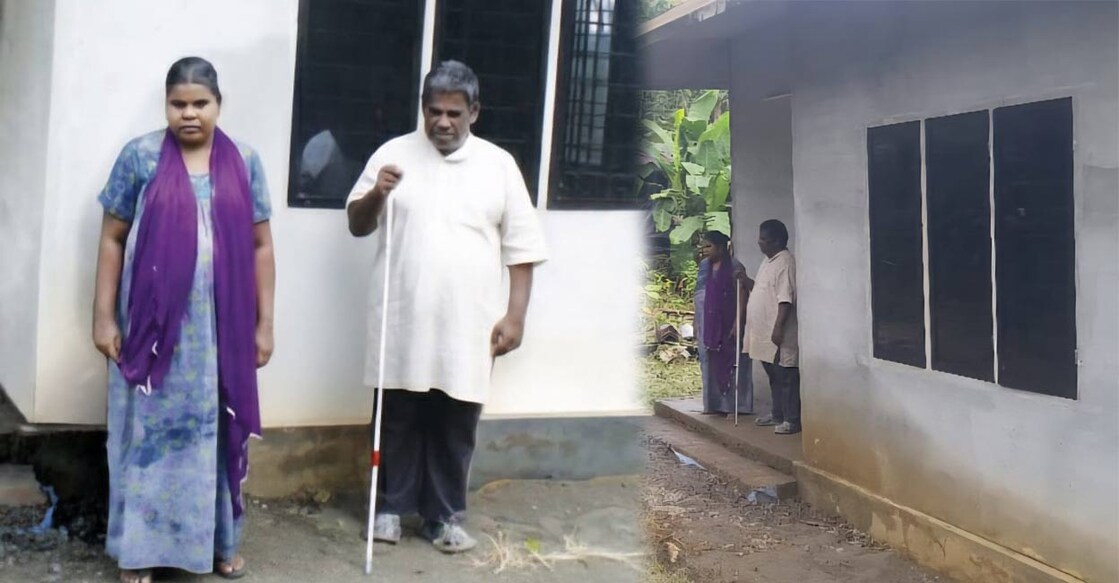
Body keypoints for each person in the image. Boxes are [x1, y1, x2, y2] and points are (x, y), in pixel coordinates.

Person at [345, 61, 547, 554]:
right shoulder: (393, 155)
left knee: (455, 421)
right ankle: (389, 510)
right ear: (423, 108)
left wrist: (515, 316)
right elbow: (357, 224)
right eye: (434, 111)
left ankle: (444, 517)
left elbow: (521, 249)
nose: (442, 122)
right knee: (396, 416)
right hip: (402, 317)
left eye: (454, 113)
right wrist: (378, 193)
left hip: (468, 323)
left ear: (474, 111)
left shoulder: (498, 165)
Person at [92, 57, 275, 583]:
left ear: (218, 104)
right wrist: (103, 317)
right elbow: (112, 238)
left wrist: (265, 324)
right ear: (165, 106)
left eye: (200, 103)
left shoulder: (245, 161)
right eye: (178, 104)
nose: (189, 113)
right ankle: (141, 552)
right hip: (152, 335)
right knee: (148, 435)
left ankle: (218, 543)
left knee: (213, 436)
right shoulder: (141, 157)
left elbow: (261, 246)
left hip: (220, 336)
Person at [743, 220, 800, 435]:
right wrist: (744, 280)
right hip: (763, 332)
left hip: (778, 332)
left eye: (764, 239)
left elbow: (785, 299)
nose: (759, 243)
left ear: (776, 241)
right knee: (774, 376)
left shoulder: (785, 262)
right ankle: (778, 414)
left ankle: (791, 420)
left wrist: (778, 328)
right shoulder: (768, 261)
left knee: (786, 376)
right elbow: (761, 289)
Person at [697, 231, 753, 416]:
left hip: (728, 322)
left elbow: (742, 294)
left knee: (733, 362)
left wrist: (737, 322)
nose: (704, 250)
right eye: (703, 246)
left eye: (708, 246)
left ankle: (737, 406)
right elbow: (700, 294)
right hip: (708, 323)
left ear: (721, 247)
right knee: (709, 362)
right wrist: (697, 320)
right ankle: (713, 404)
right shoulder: (704, 266)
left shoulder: (735, 266)